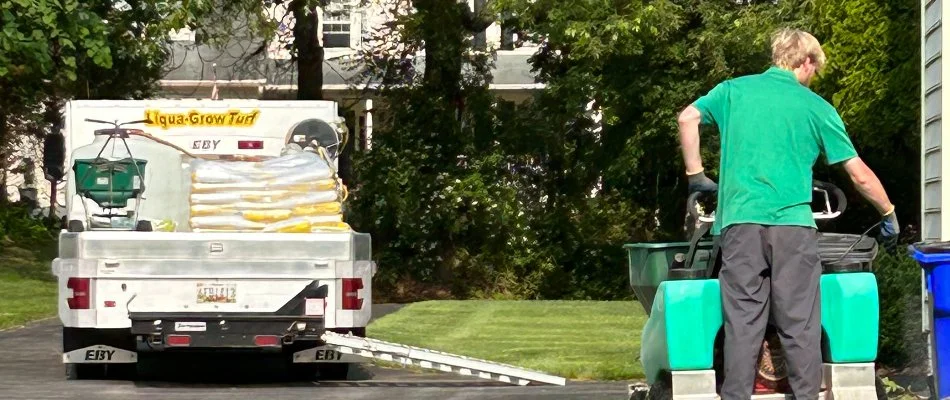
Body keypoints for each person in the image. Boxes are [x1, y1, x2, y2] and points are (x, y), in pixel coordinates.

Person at [676, 28, 899, 399]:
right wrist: (888, 211)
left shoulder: (732, 91)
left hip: (740, 226)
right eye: (815, 69)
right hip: (793, 231)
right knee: (799, 324)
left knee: (743, 324)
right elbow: (858, 174)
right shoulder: (816, 107)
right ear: (807, 62)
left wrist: (696, 175)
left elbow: (687, 118)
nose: (813, 78)